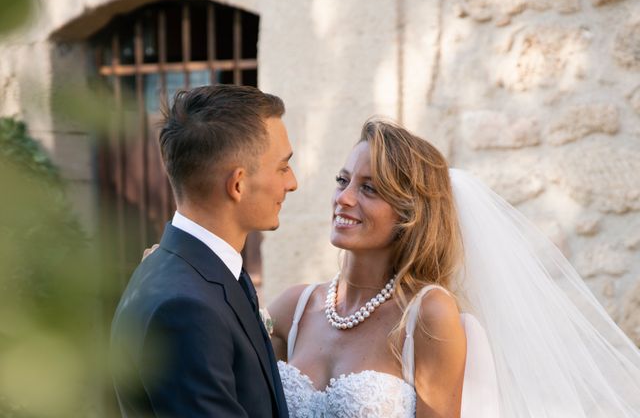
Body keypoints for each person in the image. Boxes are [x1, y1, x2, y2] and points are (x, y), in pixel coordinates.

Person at [267, 117, 640, 417]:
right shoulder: (294, 308)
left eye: (370, 189)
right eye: (343, 180)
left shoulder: (427, 314)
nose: (344, 198)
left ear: (409, 214)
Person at [110, 84, 297, 417]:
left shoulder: (192, 269)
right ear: (238, 184)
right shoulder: (186, 308)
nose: (292, 182)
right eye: (282, 167)